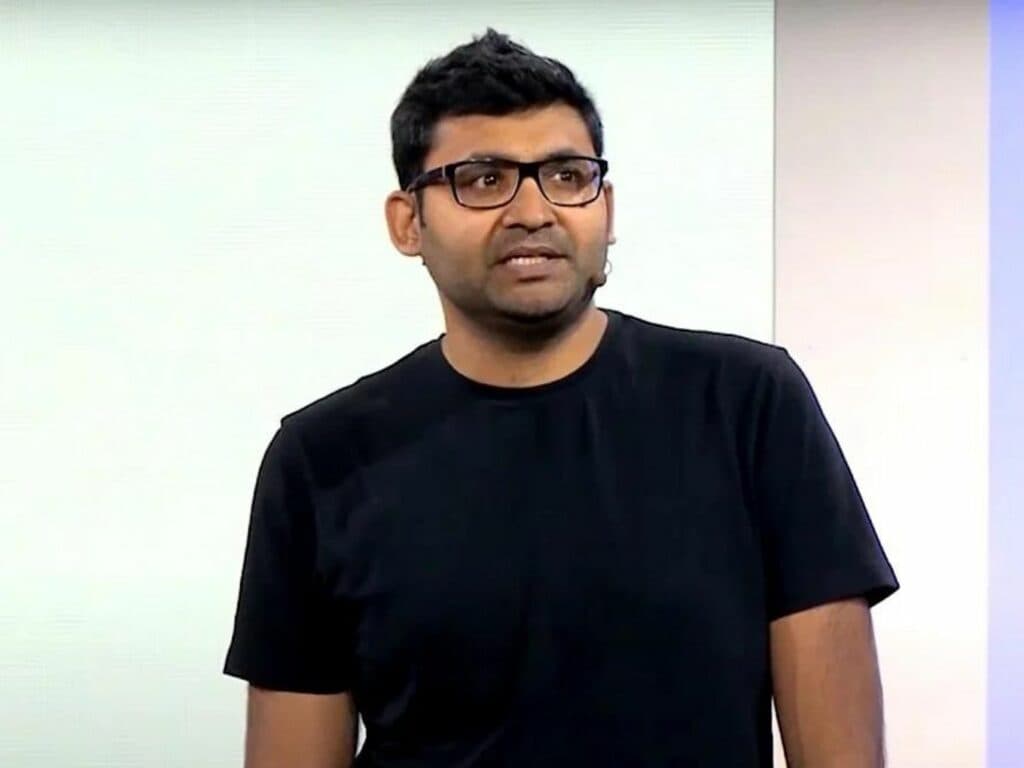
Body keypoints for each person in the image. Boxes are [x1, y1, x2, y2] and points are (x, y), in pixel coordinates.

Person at [223, 28, 899, 768]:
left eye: (566, 176)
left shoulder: (749, 404)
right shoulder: (320, 460)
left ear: (605, 207)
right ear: (408, 221)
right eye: (484, 179)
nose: (533, 211)